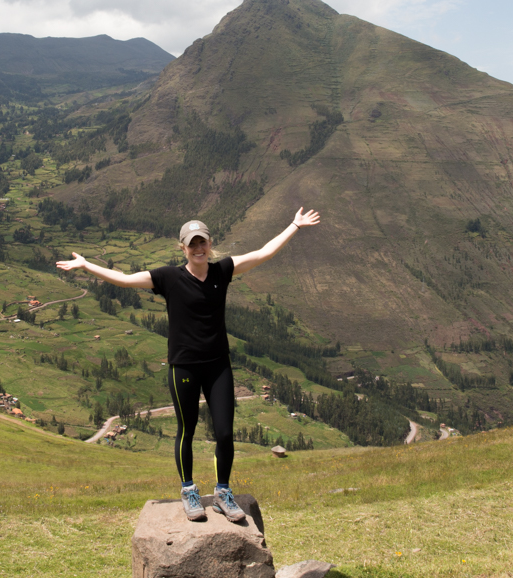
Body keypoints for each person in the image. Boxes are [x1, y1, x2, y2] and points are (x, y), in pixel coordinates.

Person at [56, 207, 320, 522]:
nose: (198, 249)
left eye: (202, 243)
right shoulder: (168, 277)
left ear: (210, 244)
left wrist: (294, 225)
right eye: (192, 244)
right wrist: (87, 266)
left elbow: (263, 253)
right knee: (187, 431)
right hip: (184, 367)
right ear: (182, 247)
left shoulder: (223, 270)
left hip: (218, 365)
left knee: (224, 433)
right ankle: (189, 490)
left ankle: (223, 491)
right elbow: (125, 280)